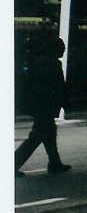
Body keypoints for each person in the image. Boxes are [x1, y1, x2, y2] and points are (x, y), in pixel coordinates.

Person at [15, 36, 71, 177]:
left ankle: (55, 163)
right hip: (44, 107)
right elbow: (54, 87)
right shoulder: (49, 63)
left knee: (49, 134)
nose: (63, 51)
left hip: (41, 106)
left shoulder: (42, 61)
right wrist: (62, 102)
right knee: (37, 137)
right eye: (61, 48)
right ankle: (12, 164)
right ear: (55, 49)